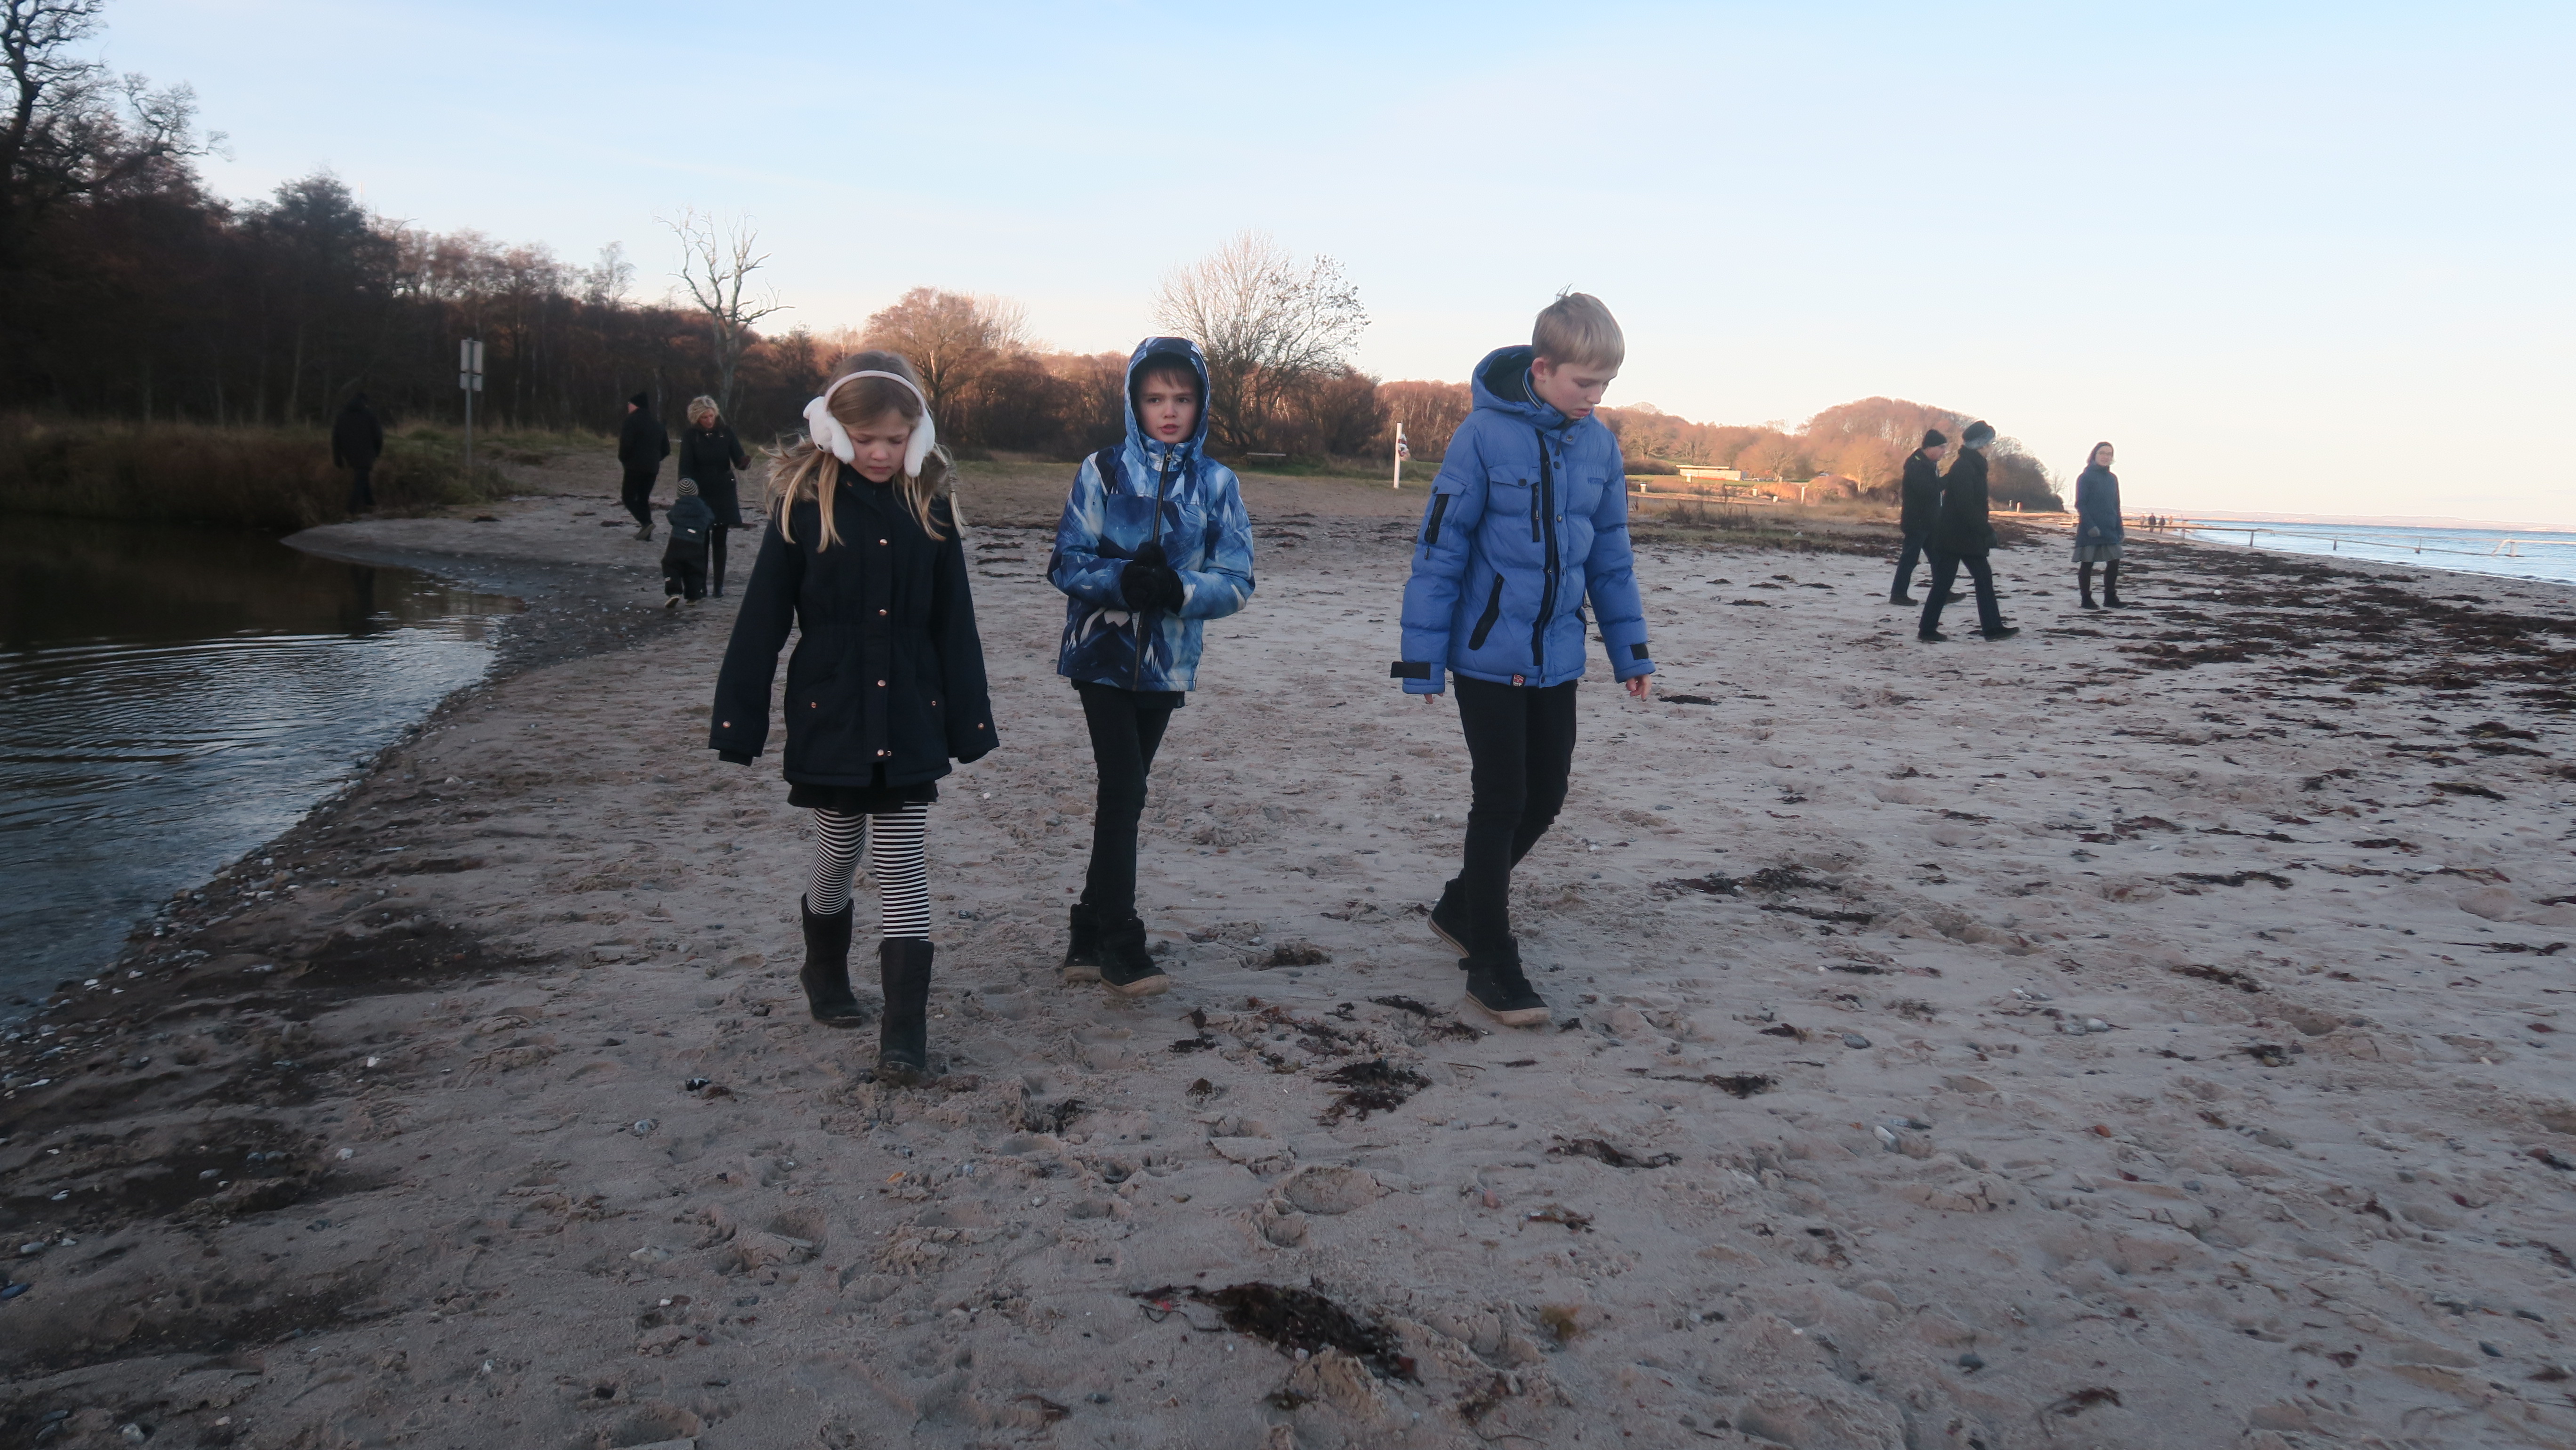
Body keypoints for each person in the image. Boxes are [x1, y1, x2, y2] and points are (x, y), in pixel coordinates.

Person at [708, 352, 996, 1085]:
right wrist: (738, 721)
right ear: (834, 432)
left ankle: (905, 1032)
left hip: (909, 711)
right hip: (830, 708)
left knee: (900, 859)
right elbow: (762, 620)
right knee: (838, 847)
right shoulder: (804, 505)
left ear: (918, 437)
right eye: (866, 438)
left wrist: (969, 723)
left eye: (896, 439)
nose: (880, 453)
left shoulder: (929, 508)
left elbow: (955, 625)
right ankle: (824, 969)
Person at [1392, 291, 1654, 1028]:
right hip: (1485, 656)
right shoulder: (1481, 436)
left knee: (1547, 797)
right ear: (1542, 370)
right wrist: (1421, 660)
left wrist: (1631, 652)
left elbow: (1610, 561)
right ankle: (1491, 961)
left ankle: (1459, 906)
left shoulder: (1600, 448)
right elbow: (1441, 549)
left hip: (1557, 658)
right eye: (1584, 383)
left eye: (1605, 385)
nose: (1595, 397)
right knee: (1502, 798)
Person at [1047, 338, 1256, 997]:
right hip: (1099, 654)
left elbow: (1238, 580)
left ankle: (1086, 928)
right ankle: (1120, 939)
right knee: (1125, 787)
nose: (1169, 410)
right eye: (1155, 398)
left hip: (1168, 664)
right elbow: (1067, 560)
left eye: (1183, 398)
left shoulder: (1217, 484)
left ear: (1202, 403)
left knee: (1125, 792)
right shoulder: (1103, 470)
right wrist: (1121, 581)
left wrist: (1177, 590)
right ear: (1134, 401)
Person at [1917, 420, 2016, 642]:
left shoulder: (1972, 465)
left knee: (1960, 580)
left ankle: (1931, 629)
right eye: (1989, 443)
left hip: (1960, 534)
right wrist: (1986, 531)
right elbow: (1966, 505)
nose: (1991, 447)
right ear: (1981, 445)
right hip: (1959, 535)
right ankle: (1990, 628)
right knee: (1963, 580)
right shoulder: (1965, 467)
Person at [676, 395, 751, 596]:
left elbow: (738, 458)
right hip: (700, 492)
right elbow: (685, 468)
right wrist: (685, 493)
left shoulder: (726, 432)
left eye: (711, 416)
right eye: (704, 417)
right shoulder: (691, 436)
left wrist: (744, 462)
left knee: (720, 540)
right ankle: (701, 584)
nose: (709, 420)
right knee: (701, 541)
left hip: (723, 491)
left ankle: (719, 586)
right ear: (697, 418)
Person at [1889, 428, 1947, 604]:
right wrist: (1948, 480)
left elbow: (1933, 490)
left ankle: (1943, 592)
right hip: (1917, 522)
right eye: (1942, 447)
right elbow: (1928, 490)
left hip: (1930, 521)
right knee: (1910, 559)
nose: (1944, 452)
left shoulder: (1929, 464)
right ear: (1931, 447)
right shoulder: (1917, 465)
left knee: (1939, 558)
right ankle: (1898, 595)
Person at [2073, 441, 2125, 608]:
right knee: (2087, 564)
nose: (2105, 457)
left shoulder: (2113, 479)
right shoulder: (2085, 477)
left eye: (2109, 454)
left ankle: (2110, 598)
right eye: (2102, 453)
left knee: (2114, 561)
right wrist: (2090, 526)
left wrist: (2120, 528)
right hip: (2090, 529)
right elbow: (2081, 504)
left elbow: (2116, 505)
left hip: (2110, 528)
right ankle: (2086, 599)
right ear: (2094, 455)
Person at [618, 391, 670, 540]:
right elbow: (667, 450)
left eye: (629, 404)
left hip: (634, 467)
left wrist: (624, 460)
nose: (628, 407)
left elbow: (626, 445)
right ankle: (647, 534)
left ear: (636, 405)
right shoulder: (657, 424)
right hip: (652, 469)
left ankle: (646, 523)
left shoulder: (631, 421)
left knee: (628, 498)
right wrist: (655, 459)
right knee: (643, 499)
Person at [662, 479, 714, 608]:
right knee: (695, 569)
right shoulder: (702, 507)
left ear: (679, 494)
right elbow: (710, 518)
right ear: (696, 492)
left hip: (677, 541)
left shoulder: (678, 506)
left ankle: (674, 591)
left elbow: (671, 518)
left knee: (671, 564)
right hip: (696, 542)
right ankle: (693, 596)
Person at [331, 393, 384, 513]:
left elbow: (336, 439)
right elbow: (378, 437)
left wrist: (338, 458)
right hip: (366, 454)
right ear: (365, 402)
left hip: (349, 454)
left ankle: (370, 504)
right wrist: (377, 452)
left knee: (363, 477)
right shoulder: (369, 415)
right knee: (360, 482)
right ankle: (351, 510)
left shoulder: (342, 416)